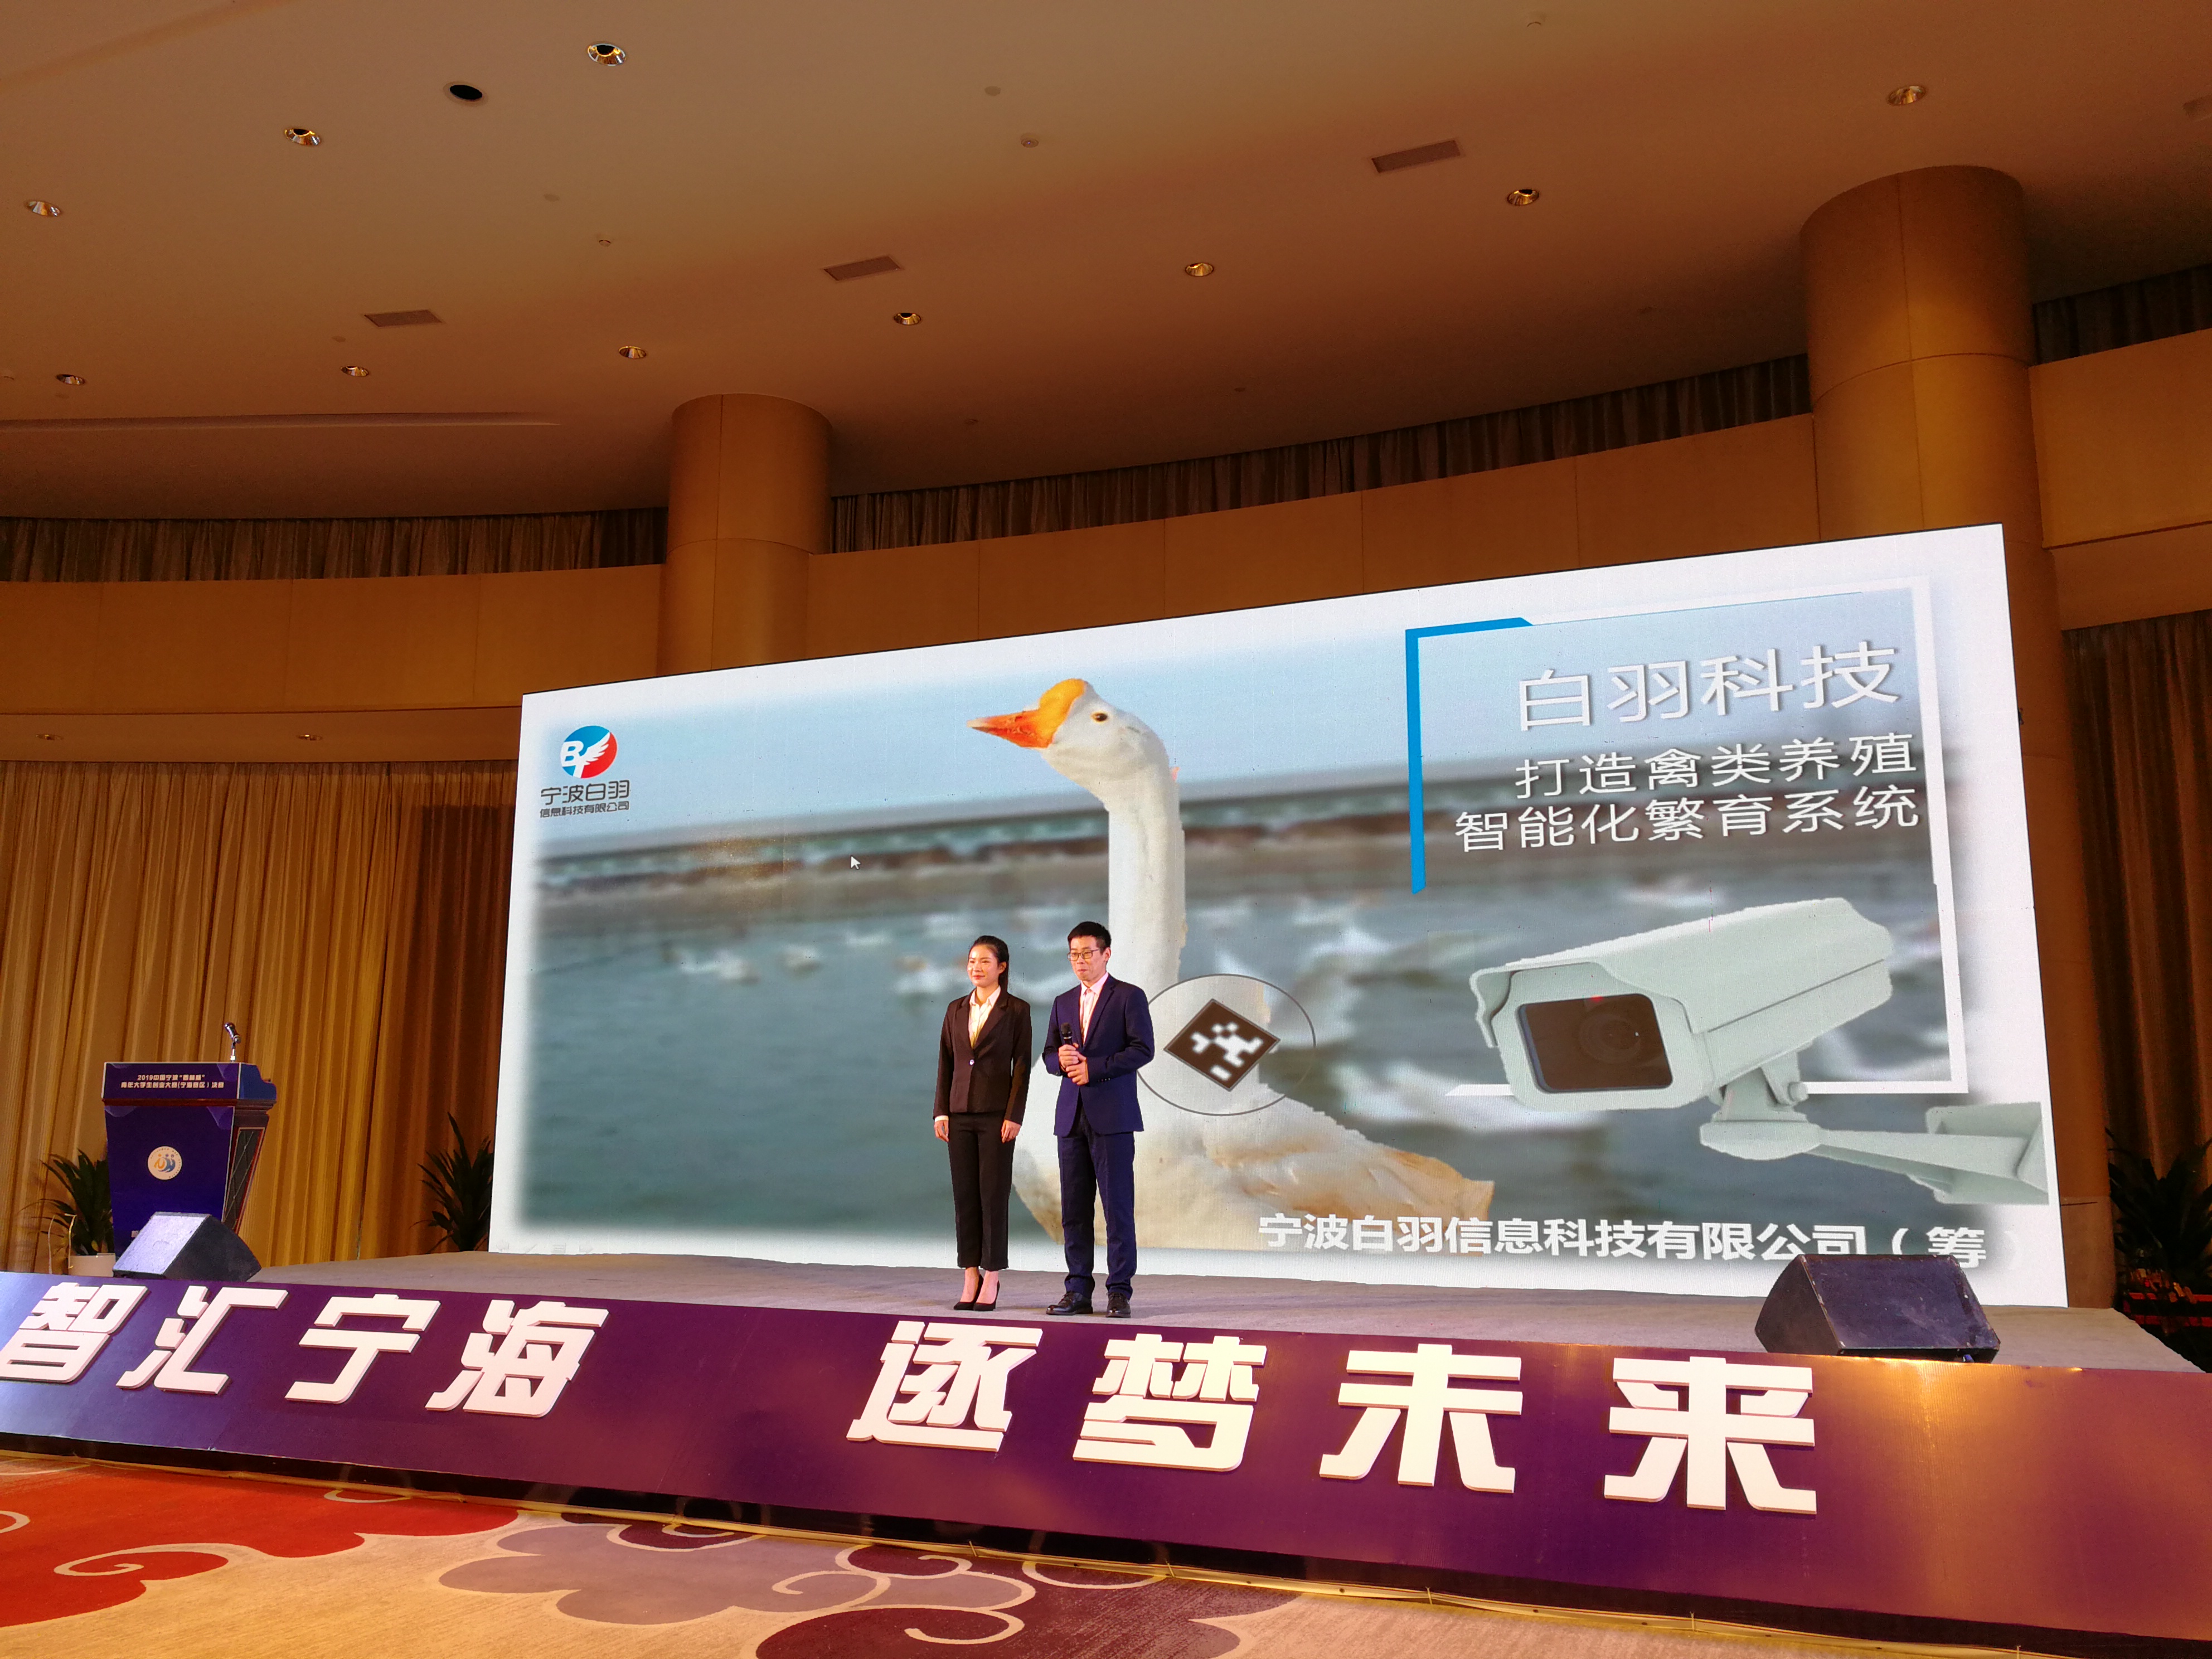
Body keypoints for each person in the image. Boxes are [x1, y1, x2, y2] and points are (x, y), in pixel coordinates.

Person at [1041, 920, 1153, 1318]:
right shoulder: (1063, 1001)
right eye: (1074, 954)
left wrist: (1096, 1068)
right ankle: (1077, 1290)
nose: (1080, 961)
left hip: (1113, 1117)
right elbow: (1048, 1055)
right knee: (1074, 1210)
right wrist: (1061, 1061)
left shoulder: (1129, 996)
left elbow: (1143, 1049)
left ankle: (1119, 1291)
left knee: (1117, 1208)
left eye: (1087, 953)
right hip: (1071, 1117)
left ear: (1106, 954)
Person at [934, 935, 1030, 1312]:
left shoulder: (1016, 1010)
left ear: (1001, 967)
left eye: (985, 961)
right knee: (965, 1196)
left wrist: (1014, 1115)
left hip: (996, 1116)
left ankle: (992, 1274)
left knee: (993, 1195)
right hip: (958, 1114)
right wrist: (941, 1111)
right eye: (972, 961)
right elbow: (946, 1061)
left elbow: (1022, 1066)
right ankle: (970, 1272)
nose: (976, 967)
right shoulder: (955, 1008)